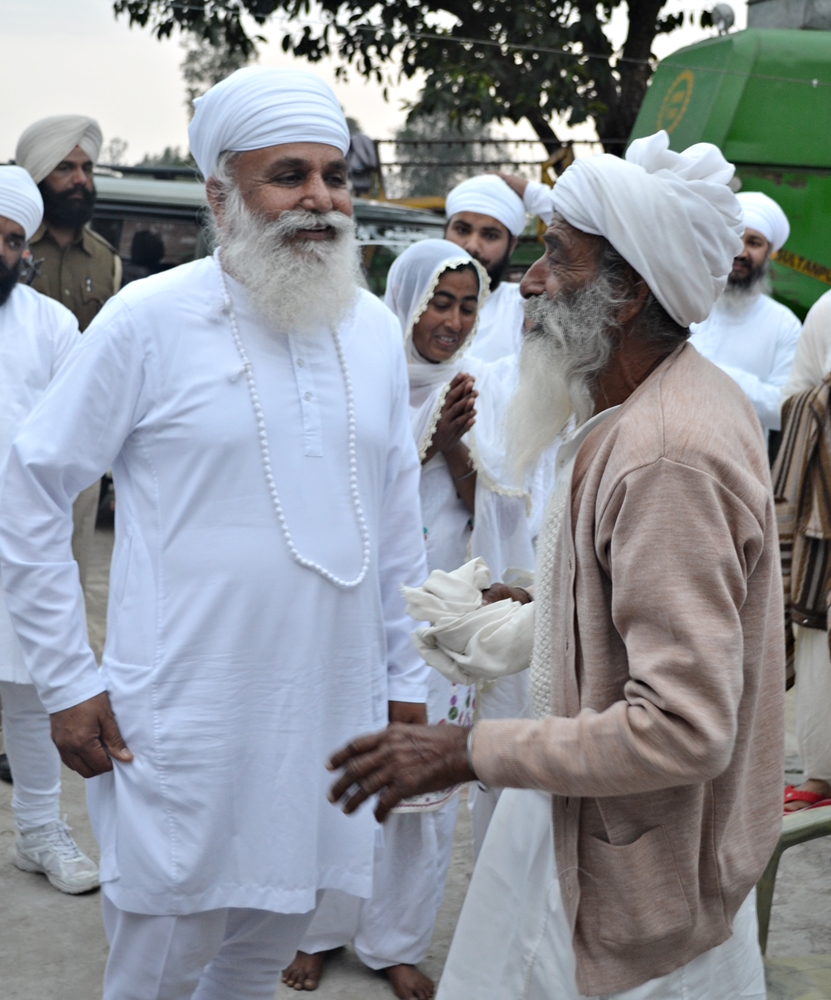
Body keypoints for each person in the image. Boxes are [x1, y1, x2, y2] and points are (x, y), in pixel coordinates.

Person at [0, 67, 430, 1000]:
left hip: (331, 714)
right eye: (288, 175)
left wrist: (407, 684)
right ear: (220, 194)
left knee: (260, 955)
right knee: (158, 966)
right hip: (183, 718)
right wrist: (67, 680)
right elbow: (31, 489)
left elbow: (397, 524)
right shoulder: (147, 321)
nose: (320, 198)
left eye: (334, 176)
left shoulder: (368, 331)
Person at [327, 131, 784, 1000]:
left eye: (555, 258)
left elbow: (683, 727)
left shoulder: (667, 454)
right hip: (588, 830)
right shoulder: (654, 404)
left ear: (627, 295)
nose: (528, 283)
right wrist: (550, 601)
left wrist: (468, 750)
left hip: (631, 878)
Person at [0, 166, 97, 893]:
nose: (1, 252)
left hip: (21, 542)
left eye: (12, 241)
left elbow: (73, 443)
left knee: (30, 692)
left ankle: (38, 831)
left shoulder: (53, 326)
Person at [15, 115, 122, 597]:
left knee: (66, 578)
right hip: (12, 432)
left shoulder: (105, 260)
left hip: (78, 452)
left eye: (86, 168)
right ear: (37, 174)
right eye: (65, 167)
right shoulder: (9, 246)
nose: (80, 179)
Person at [773, 290, 831, 812]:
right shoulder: (828, 310)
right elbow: (793, 399)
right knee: (820, 644)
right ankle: (823, 773)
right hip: (825, 516)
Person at [688, 191, 800, 448]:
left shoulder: (784, 324)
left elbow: (785, 409)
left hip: (738, 461)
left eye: (754, 242)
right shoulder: (687, 301)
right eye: (735, 238)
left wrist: (715, 374)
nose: (740, 251)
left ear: (769, 253)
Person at [443, 174, 528, 362]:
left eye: (490, 236)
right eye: (462, 230)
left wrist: (534, 195)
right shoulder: (414, 303)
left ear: (512, 245)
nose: (472, 246)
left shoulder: (522, 308)